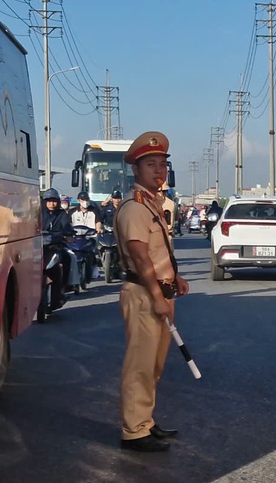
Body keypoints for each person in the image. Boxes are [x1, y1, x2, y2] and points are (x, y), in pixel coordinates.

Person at [113, 131, 190, 452]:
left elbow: (160, 253)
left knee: (154, 365)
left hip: (160, 293)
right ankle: (134, 431)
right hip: (144, 294)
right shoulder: (134, 207)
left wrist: (177, 278)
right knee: (140, 365)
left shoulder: (153, 204)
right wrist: (158, 297)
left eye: (162, 165)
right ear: (136, 170)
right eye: (151, 165)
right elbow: (142, 258)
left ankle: (145, 420)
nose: (159, 171)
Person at [40, 188, 74, 309]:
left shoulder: (62, 215)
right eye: (48, 201)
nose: (51, 203)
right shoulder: (38, 213)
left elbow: (67, 227)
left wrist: (68, 235)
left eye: (54, 201)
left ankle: (64, 287)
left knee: (68, 258)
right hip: (39, 249)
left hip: (56, 247)